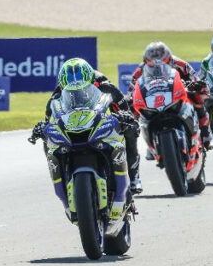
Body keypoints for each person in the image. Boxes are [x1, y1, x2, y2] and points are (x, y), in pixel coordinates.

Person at [44, 58, 142, 194]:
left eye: (81, 85)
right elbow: (48, 121)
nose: (76, 89)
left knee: (129, 131)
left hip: (99, 118)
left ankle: (133, 176)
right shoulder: (57, 94)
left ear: (90, 80)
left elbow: (124, 108)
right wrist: (43, 130)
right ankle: (60, 175)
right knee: (48, 139)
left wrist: (126, 118)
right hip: (74, 124)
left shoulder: (105, 85)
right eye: (70, 87)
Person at [130, 41, 213, 151]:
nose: (157, 63)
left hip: (176, 92)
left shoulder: (180, 64)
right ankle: (150, 142)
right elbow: (132, 89)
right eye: (153, 62)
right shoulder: (139, 71)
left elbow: (194, 78)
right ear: (147, 61)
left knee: (197, 97)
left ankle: (205, 132)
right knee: (133, 114)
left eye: (161, 60)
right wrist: (129, 100)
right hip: (155, 98)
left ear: (168, 58)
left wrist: (195, 86)